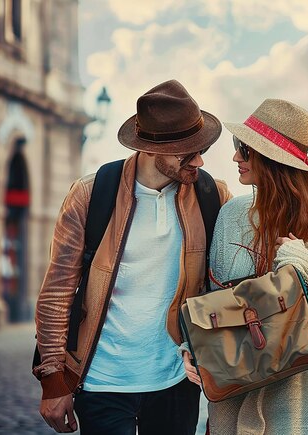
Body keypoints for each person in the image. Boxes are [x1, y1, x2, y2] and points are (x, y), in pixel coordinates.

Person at [33, 80, 232, 434]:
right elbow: (57, 292)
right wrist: (52, 379)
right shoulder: (90, 194)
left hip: (177, 383)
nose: (200, 161)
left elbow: (226, 285)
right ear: (155, 149)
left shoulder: (211, 196)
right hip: (102, 382)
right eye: (189, 152)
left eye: (202, 149)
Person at [182, 99, 308, 434]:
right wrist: (191, 348)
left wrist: (305, 264)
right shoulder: (231, 214)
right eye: (239, 147)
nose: (236, 157)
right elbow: (214, 300)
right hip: (234, 391)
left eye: (245, 150)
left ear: (273, 160)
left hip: (300, 400)